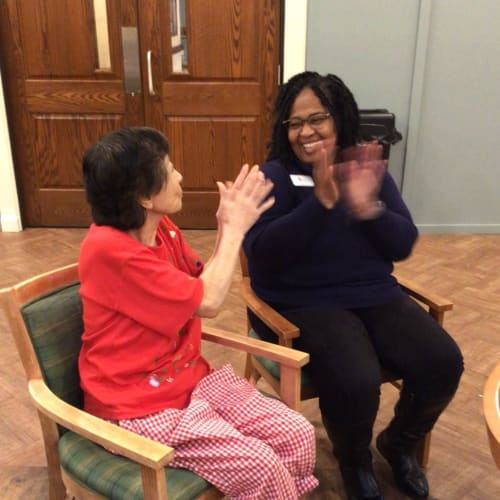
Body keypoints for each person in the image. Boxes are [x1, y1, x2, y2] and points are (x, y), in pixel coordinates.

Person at [243, 71, 464, 500]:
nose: (305, 131)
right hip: (301, 302)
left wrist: (369, 207)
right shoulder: (275, 176)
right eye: (294, 122)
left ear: (340, 118)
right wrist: (321, 207)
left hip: (373, 293)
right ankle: (354, 460)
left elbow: (402, 243)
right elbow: (262, 254)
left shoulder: (364, 171)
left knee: (443, 361)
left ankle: (398, 444)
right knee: (355, 379)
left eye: (317, 118)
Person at [78, 126, 319, 499]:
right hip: (137, 407)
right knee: (261, 465)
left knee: (295, 433)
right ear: (144, 196)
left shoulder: (160, 228)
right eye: (170, 168)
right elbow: (208, 303)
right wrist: (235, 231)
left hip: (189, 381)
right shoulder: (110, 251)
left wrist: (226, 227)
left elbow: (202, 285)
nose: (179, 176)